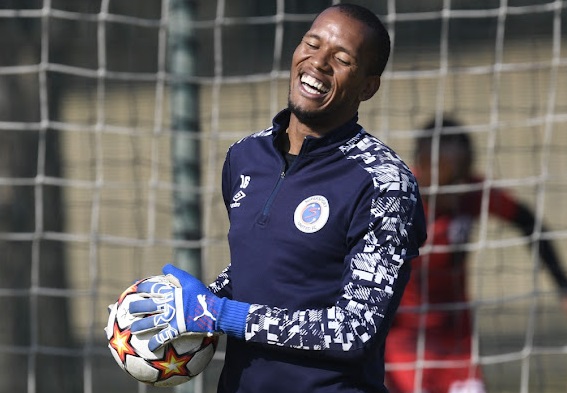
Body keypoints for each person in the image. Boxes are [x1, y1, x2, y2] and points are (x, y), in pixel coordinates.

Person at [124, 4, 427, 393]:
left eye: (342, 59)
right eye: (312, 44)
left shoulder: (384, 184)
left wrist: (220, 313)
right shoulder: (244, 156)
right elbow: (267, 268)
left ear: (368, 86)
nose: (318, 63)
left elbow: (355, 330)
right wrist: (192, 303)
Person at [384, 117, 567, 393]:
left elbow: (527, 221)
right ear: (424, 167)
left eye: (462, 175)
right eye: (448, 177)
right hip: (404, 339)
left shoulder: (472, 192)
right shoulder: (397, 200)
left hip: (456, 339)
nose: (456, 189)